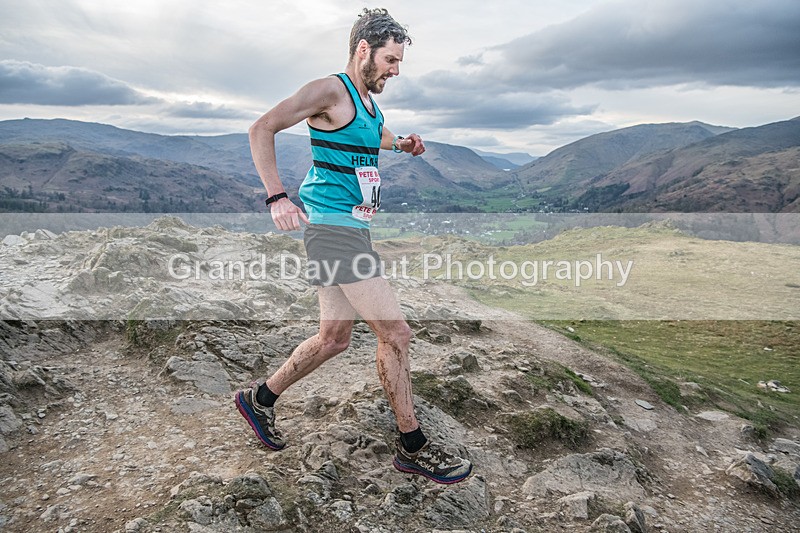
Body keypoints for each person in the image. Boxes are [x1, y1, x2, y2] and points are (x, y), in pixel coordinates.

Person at [235, 8, 473, 484]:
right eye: (390, 59)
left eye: (399, 61)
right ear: (363, 49)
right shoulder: (329, 90)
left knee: (334, 339)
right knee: (397, 334)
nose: (396, 70)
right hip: (333, 232)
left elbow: (371, 136)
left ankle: (259, 399)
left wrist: (402, 145)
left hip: (352, 230)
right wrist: (277, 197)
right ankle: (412, 445)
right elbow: (261, 128)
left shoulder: (367, 102)